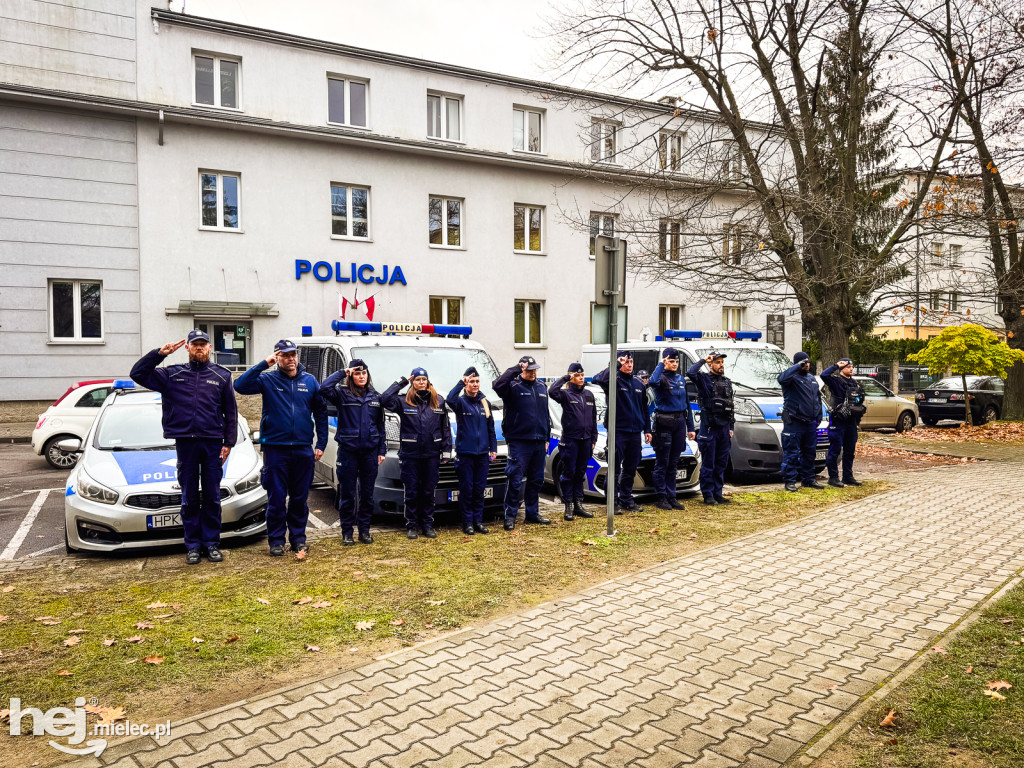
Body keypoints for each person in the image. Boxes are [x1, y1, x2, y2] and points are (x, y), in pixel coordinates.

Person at [130, 330, 237, 565]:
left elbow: (231, 413)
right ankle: (193, 546)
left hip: (212, 443)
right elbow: (137, 373)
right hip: (185, 443)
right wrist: (159, 354)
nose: (199, 348)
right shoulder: (171, 374)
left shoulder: (221, 376)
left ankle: (211, 544)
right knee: (189, 496)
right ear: (187, 348)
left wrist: (229, 443)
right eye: (195, 344)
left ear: (209, 348)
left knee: (211, 496)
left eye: (203, 344)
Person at [234, 340, 328, 557]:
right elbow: (240, 386)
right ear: (278, 358)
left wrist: (320, 443)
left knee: (299, 498)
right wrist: (263, 364)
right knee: (276, 498)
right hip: (276, 449)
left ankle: (298, 540)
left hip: (303, 449)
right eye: (285, 355)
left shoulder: (310, 381)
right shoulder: (267, 379)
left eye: (293, 354)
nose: (291, 359)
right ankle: (276, 541)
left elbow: (321, 413)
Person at [318, 359, 386, 545]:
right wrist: (343, 372)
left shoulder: (375, 397)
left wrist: (382, 449)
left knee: (367, 495)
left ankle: (364, 531)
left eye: (364, 373)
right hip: (348, 452)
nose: (361, 376)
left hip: (370, 453)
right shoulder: (342, 394)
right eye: (357, 373)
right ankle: (347, 532)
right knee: (348, 494)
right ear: (351, 376)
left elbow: (380, 426)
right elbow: (324, 388)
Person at [381, 368, 452, 539]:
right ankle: (412, 525)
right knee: (412, 491)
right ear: (413, 382)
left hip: (431, 454)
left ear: (428, 381)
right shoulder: (403, 401)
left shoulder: (438, 401)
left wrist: (447, 449)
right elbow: (384, 399)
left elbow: (445, 427)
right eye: (417, 379)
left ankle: (427, 524)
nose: (421, 382)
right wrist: (402, 381)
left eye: (424, 379)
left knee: (428, 491)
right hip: (410, 454)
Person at [494, 355, 551, 530]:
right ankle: (510, 515)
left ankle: (532, 514)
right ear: (523, 370)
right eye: (529, 370)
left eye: (535, 370)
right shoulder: (512, 386)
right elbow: (497, 385)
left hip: (539, 441)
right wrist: (516, 368)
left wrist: (547, 437)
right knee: (515, 480)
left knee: (537, 480)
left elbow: (545, 414)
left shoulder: (542, 387)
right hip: (519, 442)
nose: (533, 373)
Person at [594, 351, 652, 512]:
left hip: (635, 433)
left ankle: (627, 499)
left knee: (630, 469)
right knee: (613, 469)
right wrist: (616, 363)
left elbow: (644, 409)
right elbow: (598, 378)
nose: (629, 364)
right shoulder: (613, 380)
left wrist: (647, 429)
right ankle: (612, 503)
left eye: (630, 361)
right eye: (625, 362)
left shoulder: (639, 383)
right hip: (618, 431)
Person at [446, 367, 498, 535]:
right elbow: (449, 399)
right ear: (466, 383)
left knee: (479, 489)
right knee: (467, 490)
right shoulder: (460, 402)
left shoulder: (485, 403)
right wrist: (462, 382)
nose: (475, 384)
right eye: (471, 381)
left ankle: (478, 521)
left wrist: (493, 448)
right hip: (465, 454)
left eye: (477, 381)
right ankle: (467, 523)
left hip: (482, 455)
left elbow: (491, 429)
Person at [547, 363, 598, 521]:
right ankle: (568, 504)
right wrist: (566, 378)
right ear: (571, 377)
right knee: (568, 473)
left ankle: (578, 504)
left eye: (582, 375)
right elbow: (552, 391)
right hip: (571, 441)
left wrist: (593, 438)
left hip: (586, 440)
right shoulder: (566, 394)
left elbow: (593, 419)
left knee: (580, 473)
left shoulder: (589, 394)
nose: (581, 378)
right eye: (577, 376)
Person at [649, 348, 696, 510]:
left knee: (674, 462)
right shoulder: (660, 378)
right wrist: (661, 365)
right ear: (665, 361)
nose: (675, 364)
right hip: (664, 422)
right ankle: (661, 497)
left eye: (676, 361)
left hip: (680, 422)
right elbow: (652, 382)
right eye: (671, 361)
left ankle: (672, 496)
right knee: (663, 462)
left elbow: (687, 405)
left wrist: (690, 427)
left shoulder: (681, 379)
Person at [686, 352, 735, 505]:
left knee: (721, 463)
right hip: (709, 428)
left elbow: (730, 405)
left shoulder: (727, 382)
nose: (721, 365)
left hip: (724, 428)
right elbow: (690, 372)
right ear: (710, 364)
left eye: (722, 362)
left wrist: (731, 427)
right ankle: (708, 495)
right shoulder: (704, 379)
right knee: (709, 464)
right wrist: (703, 360)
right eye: (717, 362)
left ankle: (717, 493)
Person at [778, 351, 825, 492]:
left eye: (808, 362)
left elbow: (817, 399)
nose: (807, 365)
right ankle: (790, 481)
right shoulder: (791, 378)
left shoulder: (811, 379)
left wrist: (819, 416)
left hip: (810, 423)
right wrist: (797, 367)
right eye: (803, 363)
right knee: (791, 454)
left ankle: (809, 480)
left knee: (809, 453)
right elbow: (781, 379)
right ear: (797, 364)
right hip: (794, 422)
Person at [820, 358, 866, 488]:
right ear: (842, 369)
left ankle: (848, 476)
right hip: (838, 421)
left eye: (852, 366)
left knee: (849, 451)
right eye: (848, 367)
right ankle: (833, 478)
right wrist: (836, 365)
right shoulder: (836, 381)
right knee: (834, 450)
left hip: (851, 422)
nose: (851, 369)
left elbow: (858, 403)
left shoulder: (854, 383)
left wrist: (857, 421)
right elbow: (824, 375)